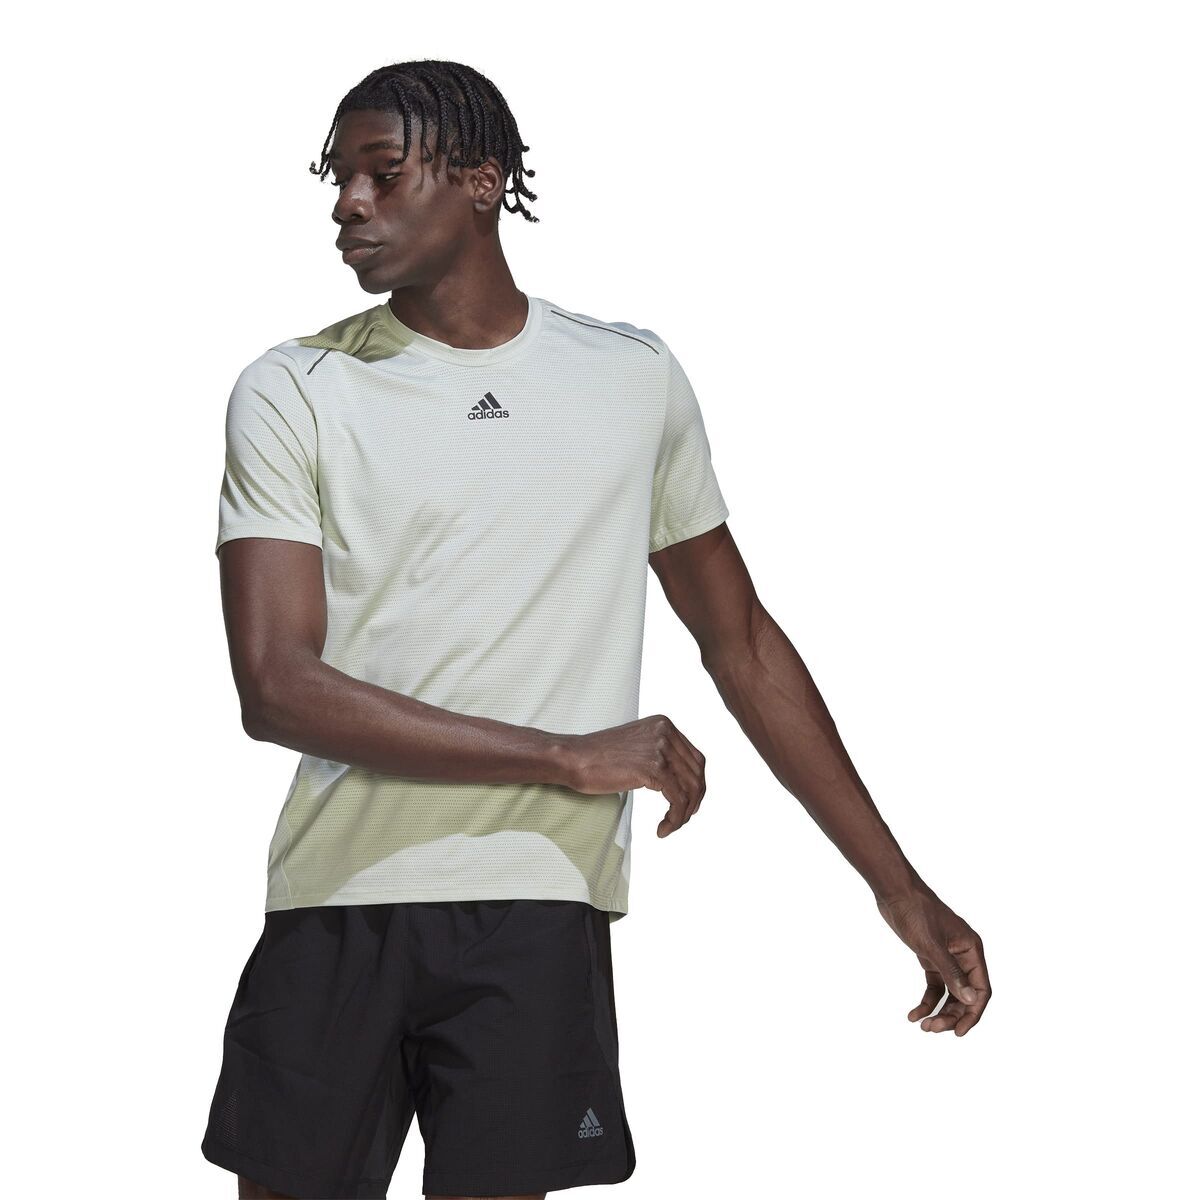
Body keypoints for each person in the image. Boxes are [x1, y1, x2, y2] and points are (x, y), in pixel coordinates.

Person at [200, 58, 991, 1200]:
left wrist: (896, 885)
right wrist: (567, 756)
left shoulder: (629, 377)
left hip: (536, 905)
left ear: (481, 180)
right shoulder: (296, 387)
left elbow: (743, 645)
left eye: (382, 173)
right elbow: (276, 686)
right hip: (337, 900)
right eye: (339, 180)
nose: (348, 206)